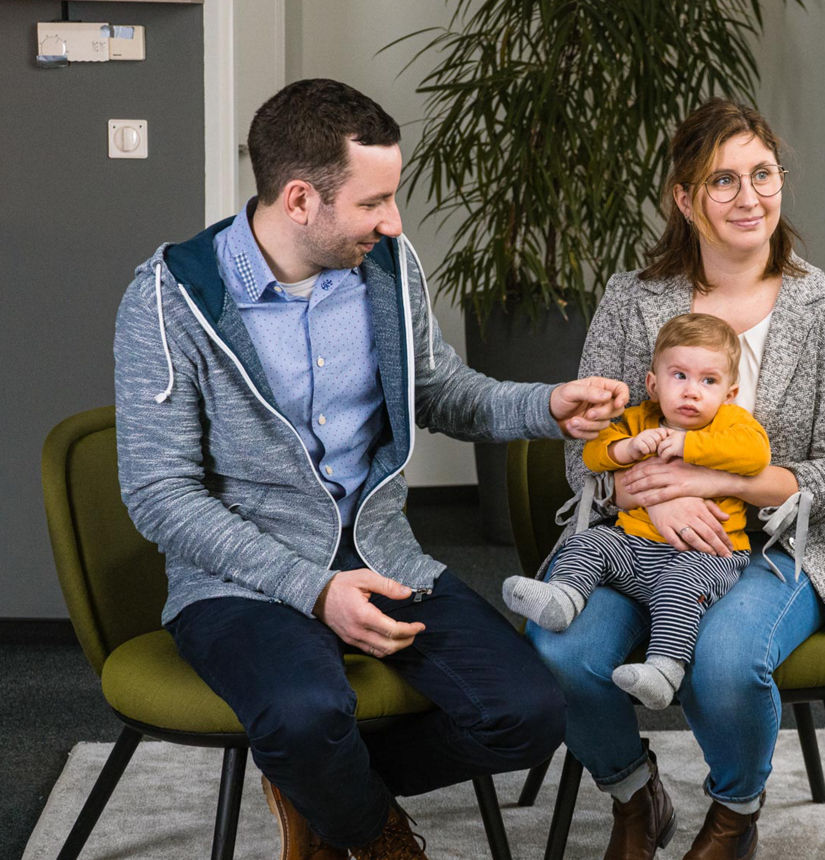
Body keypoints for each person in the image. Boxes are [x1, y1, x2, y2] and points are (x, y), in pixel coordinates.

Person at [113, 78, 628, 860]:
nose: (394, 221)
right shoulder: (169, 298)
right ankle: (374, 832)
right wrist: (315, 591)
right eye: (374, 201)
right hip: (240, 581)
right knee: (304, 716)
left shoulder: (386, 266)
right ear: (299, 200)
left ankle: (318, 787)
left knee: (530, 715)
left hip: (383, 557)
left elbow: (439, 391)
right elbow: (160, 493)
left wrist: (548, 405)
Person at [527, 98, 825, 860]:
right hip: (638, 535)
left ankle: (733, 815)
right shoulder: (632, 300)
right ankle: (634, 793)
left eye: (763, 175)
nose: (749, 197)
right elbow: (584, 449)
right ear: (685, 200)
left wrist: (714, 485)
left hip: (775, 549)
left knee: (723, 663)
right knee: (561, 648)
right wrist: (639, 493)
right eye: (724, 180)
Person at [502, 312, 771, 710]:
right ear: (653, 384)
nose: (692, 392)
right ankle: (563, 598)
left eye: (708, 381)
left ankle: (663, 670)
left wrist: (688, 446)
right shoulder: (637, 419)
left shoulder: (732, 423)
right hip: (635, 545)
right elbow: (592, 455)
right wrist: (626, 449)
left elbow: (756, 455)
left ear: (729, 394)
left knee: (679, 588)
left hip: (707, 555)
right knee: (591, 543)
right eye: (679, 376)